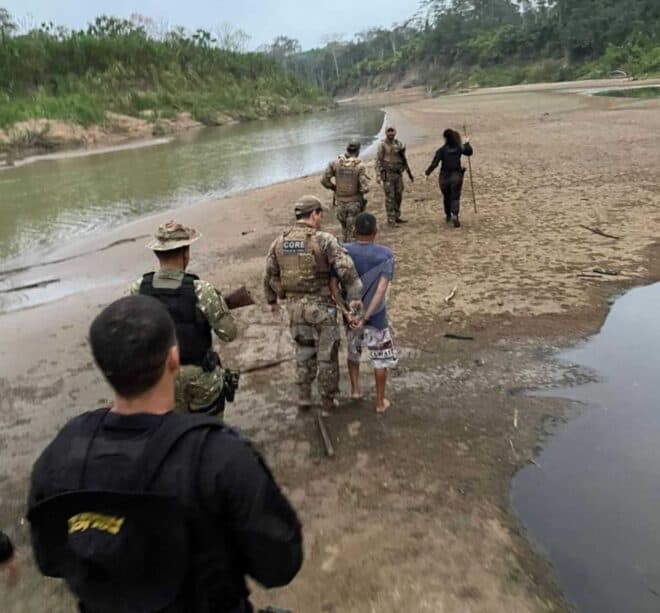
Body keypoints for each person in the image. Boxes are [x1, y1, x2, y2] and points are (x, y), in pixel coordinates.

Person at [27, 295, 303, 613]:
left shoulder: (61, 453)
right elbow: (280, 565)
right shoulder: (219, 454)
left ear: (103, 366)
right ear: (174, 357)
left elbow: (49, 559)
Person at [263, 195, 363, 411]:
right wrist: (354, 300)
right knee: (327, 355)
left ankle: (304, 397)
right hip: (322, 307)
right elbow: (347, 271)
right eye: (320, 214)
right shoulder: (324, 240)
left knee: (303, 351)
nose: (321, 218)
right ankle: (327, 399)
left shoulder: (280, 242)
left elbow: (269, 275)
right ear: (314, 214)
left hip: (295, 308)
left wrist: (272, 302)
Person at [129, 220, 238, 417]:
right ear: (186, 253)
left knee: (171, 426)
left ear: (157, 253)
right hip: (200, 377)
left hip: (159, 377)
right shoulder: (202, 290)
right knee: (208, 426)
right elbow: (229, 334)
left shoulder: (138, 289)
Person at [331, 213, 398, 413]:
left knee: (353, 352)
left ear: (354, 231)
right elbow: (381, 289)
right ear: (375, 231)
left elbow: (333, 286)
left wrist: (346, 312)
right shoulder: (386, 255)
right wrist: (367, 316)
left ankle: (355, 390)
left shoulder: (343, 252)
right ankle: (380, 402)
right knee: (380, 359)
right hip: (376, 317)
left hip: (351, 315)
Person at [320, 137, 370, 243]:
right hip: (354, 204)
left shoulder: (335, 163)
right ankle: (350, 250)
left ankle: (344, 247)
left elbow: (324, 180)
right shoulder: (359, 166)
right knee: (353, 233)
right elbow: (365, 188)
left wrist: (334, 187)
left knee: (344, 229)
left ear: (347, 149)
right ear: (358, 150)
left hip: (339, 203)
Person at [424, 129, 473, 228]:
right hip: (456, 175)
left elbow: (435, 163)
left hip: (444, 177)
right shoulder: (459, 148)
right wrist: (467, 143)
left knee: (446, 196)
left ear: (445, 138)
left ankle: (448, 215)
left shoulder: (441, 150)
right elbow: (469, 152)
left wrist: (427, 172)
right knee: (455, 196)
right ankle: (455, 214)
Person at [375, 126, 413, 226]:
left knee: (398, 195)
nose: (391, 133)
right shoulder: (382, 145)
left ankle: (397, 216)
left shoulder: (398, 143)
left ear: (395, 132)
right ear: (386, 133)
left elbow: (403, 158)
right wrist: (378, 175)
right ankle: (391, 219)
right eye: (389, 131)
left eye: (392, 131)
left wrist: (405, 169)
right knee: (390, 197)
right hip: (388, 175)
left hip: (398, 174)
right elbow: (378, 160)